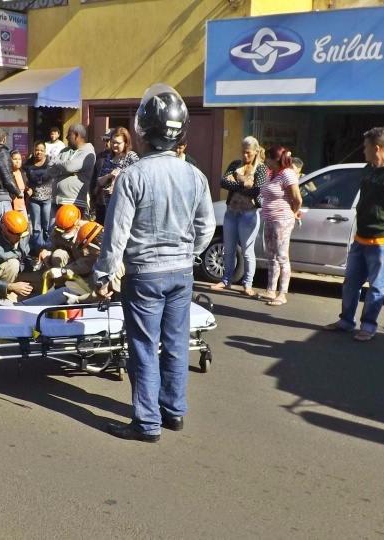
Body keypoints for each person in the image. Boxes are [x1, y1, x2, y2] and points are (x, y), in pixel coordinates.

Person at [93, 84, 215, 443]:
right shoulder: (194, 174)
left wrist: (104, 274)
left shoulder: (133, 176)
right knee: (176, 344)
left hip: (145, 275)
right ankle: (173, 412)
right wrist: (189, 255)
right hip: (181, 273)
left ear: (143, 130)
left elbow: (116, 235)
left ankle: (147, 423)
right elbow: (206, 226)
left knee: (145, 348)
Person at [324, 127, 384, 342]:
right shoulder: (369, 169)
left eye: (365, 147)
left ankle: (368, 326)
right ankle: (346, 321)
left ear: (376, 148)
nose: (362, 151)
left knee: (376, 286)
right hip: (361, 237)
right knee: (351, 283)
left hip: (382, 241)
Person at [211, 136, 267, 296]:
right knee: (228, 249)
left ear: (256, 152)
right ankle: (226, 280)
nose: (245, 156)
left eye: (248, 153)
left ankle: (247, 284)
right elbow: (223, 182)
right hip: (231, 213)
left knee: (247, 251)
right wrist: (242, 183)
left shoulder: (260, 169)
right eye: (243, 152)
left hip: (248, 214)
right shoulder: (235, 164)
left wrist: (235, 181)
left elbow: (256, 190)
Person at [258, 145, 302, 307]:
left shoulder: (287, 174)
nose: (265, 161)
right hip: (269, 219)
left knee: (282, 256)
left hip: (282, 220)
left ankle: (282, 293)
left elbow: (297, 199)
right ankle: (270, 289)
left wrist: (293, 213)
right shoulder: (271, 174)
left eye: (267, 158)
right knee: (271, 255)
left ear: (274, 159)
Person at [93, 127, 139, 225]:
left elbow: (137, 178)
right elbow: (99, 180)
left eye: (118, 143)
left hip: (124, 205)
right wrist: (109, 175)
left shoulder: (131, 156)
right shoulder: (109, 157)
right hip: (107, 204)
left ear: (126, 143)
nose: (114, 145)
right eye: (113, 142)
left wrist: (121, 173)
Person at [48, 124, 95, 216]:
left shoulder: (88, 153)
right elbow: (49, 169)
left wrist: (58, 163)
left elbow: (69, 167)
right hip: (56, 201)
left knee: (69, 230)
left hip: (73, 203)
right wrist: (65, 169)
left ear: (77, 135)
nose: (66, 137)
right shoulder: (64, 151)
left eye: (69, 135)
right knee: (51, 230)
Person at [23, 141, 52, 252]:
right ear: (33, 150)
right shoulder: (28, 164)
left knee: (46, 227)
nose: (39, 152)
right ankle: (37, 250)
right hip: (34, 199)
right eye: (37, 150)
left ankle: (47, 250)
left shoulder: (50, 162)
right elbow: (23, 177)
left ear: (45, 151)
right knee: (36, 227)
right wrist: (27, 188)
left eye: (41, 150)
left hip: (48, 199)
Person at [89, 129, 113, 222]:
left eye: (108, 140)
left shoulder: (123, 158)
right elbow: (93, 180)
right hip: (99, 202)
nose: (105, 143)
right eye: (104, 140)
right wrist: (92, 200)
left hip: (112, 203)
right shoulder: (100, 156)